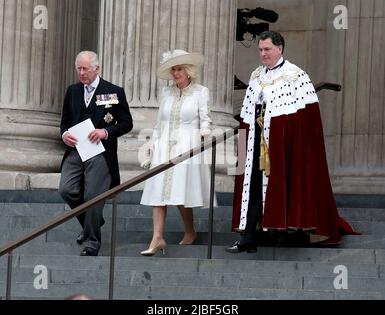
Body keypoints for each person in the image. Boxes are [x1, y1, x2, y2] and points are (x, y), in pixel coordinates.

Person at [227, 31, 357, 253]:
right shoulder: (256, 75)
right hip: (256, 144)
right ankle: (249, 236)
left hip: (283, 146)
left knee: (282, 185)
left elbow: (307, 120)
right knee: (255, 188)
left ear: (280, 48)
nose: (263, 54)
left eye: (267, 49)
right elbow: (247, 114)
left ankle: (283, 233)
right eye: (260, 50)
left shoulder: (296, 75)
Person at [139, 49, 216, 256]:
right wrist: (152, 145)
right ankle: (157, 238)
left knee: (180, 190)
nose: (176, 73)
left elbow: (206, 117)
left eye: (179, 68)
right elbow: (159, 124)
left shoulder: (201, 92)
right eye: (173, 69)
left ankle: (190, 231)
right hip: (164, 144)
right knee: (158, 191)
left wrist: (205, 130)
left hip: (187, 144)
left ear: (188, 70)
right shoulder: (166, 93)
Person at [59, 51, 133, 256]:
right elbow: (64, 121)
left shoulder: (113, 91)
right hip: (76, 150)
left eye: (85, 69)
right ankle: (93, 220)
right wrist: (65, 134)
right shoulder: (72, 91)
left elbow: (127, 123)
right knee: (66, 190)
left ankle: (92, 242)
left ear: (96, 68)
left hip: (101, 152)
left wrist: (106, 132)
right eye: (79, 69)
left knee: (93, 196)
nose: (81, 73)